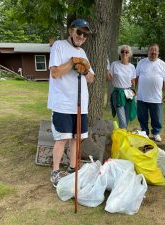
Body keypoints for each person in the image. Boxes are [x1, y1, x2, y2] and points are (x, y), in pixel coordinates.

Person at [47, 18, 95, 187]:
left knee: (76, 139)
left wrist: (85, 68)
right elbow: (55, 73)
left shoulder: (83, 53)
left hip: (80, 104)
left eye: (85, 34)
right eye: (79, 32)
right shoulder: (59, 46)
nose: (82, 36)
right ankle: (55, 171)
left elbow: (91, 78)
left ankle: (73, 169)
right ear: (71, 31)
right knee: (62, 139)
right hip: (63, 103)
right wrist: (72, 62)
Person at [136, 43, 165, 142]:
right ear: (148, 51)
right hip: (142, 96)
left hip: (156, 97)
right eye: (151, 50)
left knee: (157, 117)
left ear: (158, 52)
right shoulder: (141, 62)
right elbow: (136, 77)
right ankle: (144, 132)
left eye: (155, 50)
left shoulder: (162, 64)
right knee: (142, 117)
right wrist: (133, 89)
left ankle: (156, 133)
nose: (153, 52)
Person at [107, 45, 137, 129]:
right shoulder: (114, 64)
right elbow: (109, 78)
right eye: (122, 51)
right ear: (120, 53)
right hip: (118, 93)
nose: (124, 53)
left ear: (129, 54)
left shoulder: (132, 67)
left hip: (129, 93)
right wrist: (107, 70)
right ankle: (123, 133)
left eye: (126, 52)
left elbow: (133, 81)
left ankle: (123, 135)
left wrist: (134, 93)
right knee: (122, 118)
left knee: (126, 117)